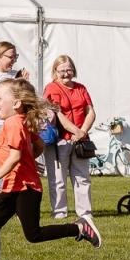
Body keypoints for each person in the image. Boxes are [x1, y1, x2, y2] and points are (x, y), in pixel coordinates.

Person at [0, 78, 100, 260]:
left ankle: (79, 228)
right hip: (15, 186)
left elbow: (14, 157)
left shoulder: (13, 123)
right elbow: (39, 144)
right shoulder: (20, 121)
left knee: (33, 234)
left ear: (16, 103)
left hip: (24, 188)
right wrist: (29, 161)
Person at [41, 55, 96, 220]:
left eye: (69, 70)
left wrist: (82, 132)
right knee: (58, 179)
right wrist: (75, 131)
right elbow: (57, 114)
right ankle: (59, 212)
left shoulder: (81, 88)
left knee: (82, 178)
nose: (66, 74)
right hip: (59, 141)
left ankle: (85, 213)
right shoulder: (51, 89)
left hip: (80, 140)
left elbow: (90, 112)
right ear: (55, 71)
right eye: (62, 70)